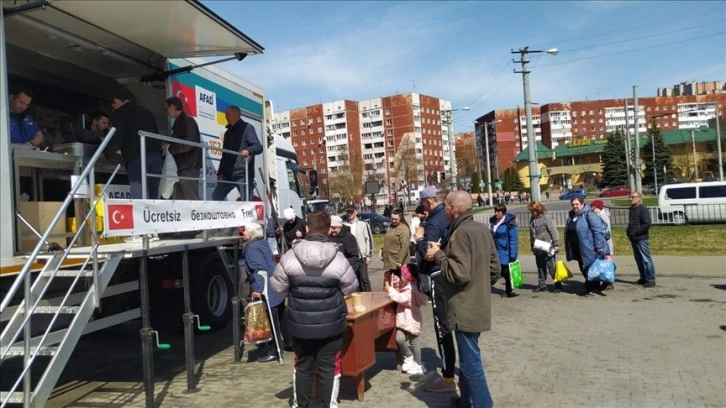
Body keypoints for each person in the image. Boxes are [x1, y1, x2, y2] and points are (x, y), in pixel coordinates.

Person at [270, 212, 358, 408]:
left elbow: (278, 287)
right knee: (329, 368)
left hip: (300, 324)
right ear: (329, 230)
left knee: (303, 366)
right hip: (331, 324)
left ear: (307, 229)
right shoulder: (339, 258)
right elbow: (350, 287)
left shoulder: (289, 257)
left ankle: (301, 405)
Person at [425, 191, 501, 408]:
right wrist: (480, 288)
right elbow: (494, 268)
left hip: (463, 307)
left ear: (454, 209)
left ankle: (483, 404)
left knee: (471, 364)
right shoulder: (480, 229)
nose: (445, 209)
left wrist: (439, 255)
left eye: (447, 206)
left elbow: (458, 274)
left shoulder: (459, 234)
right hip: (477, 304)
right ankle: (466, 402)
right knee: (468, 360)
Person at [414, 186, 457, 393]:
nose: (423, 208)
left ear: (429, 202)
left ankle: (447, 378)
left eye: (423, 203)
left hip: (438, 275)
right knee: (454, 324)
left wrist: (420, 238)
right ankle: (455, 371)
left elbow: (427, 253)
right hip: (454, 273)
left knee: (442, 326)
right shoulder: (451, 217)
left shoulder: (433, 221)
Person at [242, 222, 289, 362]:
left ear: (250, 234)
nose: (242, 233)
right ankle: (291, 343)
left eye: (244, 231)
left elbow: (259, 270)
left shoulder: (252, 249)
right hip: (275, 286)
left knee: (273, 320)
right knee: (281, 316)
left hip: (268, 289)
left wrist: (257, 289)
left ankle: (275, 351)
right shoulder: (262, 243)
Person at [109, 92, 162, 200]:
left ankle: (141, 216)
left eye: (113, 104)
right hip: (155, 155)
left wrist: (111, 152)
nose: (113, 108)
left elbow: (116, 134)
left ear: (117, 100)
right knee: (153, 193)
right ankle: (153, 215)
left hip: (136, 155)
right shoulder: (148, 112)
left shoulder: (121, 113)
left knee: (139, 193)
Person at [384, 263, 428, 375]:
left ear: (408, 277)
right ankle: (408, 356)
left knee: (415, 342)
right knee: (399, 338)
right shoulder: (409, 284)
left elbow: (401, 297)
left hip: (412, 319)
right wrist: (397, 282)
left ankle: (418, 364)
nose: (401, 274)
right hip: (404, 319)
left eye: (402, 274)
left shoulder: (411, 290)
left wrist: (390, 289)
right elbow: (402, 288)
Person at [212, 105, 262, 201]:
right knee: (216, 196)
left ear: (236, 114)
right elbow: (224, 155)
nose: (225, 116)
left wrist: (248, 150)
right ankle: (228, 214)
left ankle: (246, 215)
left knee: (246, 201)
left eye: (227, 114)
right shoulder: (227, 133)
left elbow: (258, 147)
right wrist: (220, 172)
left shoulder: (247, 128)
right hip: (228, 173)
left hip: (242, 173)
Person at [564, 197, 609, 296]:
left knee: (592, 268)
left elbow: (597, 231)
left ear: (582, 204)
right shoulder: (572, 215)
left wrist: (599, 246)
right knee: (583, 268)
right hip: (577, 247)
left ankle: (595, 289)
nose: (575, 206)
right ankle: (589, 288)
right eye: (573, 204)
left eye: (577, 204)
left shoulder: (589, 214)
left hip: (590, 247)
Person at [164, 96, 202, 201]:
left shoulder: (187, 120)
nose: (165, 112)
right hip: (182, 165)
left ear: (172, 107)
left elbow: (191, 143)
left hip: (189, 164)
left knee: (190, 196)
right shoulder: (180, 122)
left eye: (166, 109)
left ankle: (198, 216)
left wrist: (172, 149)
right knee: (179, 196)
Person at [527, 201, 561, 293]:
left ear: (538, 209)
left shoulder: (547, 217)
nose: (533, 213)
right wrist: (532, 245)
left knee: (551, 266)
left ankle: (558, 284)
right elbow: (532, 234)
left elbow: (553, 231)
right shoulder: (532, 219)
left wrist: (556, 244)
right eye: (531, 211)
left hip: (548, 245)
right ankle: (542, 285)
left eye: (534, 211)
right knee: (540, 266)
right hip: (537, 246)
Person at [490, 204, 519, 298]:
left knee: (506, 271)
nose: (496, 213)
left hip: (506, 250)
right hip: (496, 249)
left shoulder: (510, 223)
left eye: (498, 212)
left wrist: (513, 254)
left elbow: (513, 239)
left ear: (503, 212)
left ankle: (508, 291)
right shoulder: (494, 221)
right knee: (499, 270)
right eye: (495, 211)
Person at [627, 192, 656, 287]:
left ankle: (651, 279)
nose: (631, 199)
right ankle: (643, 277)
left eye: (633, 197)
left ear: (639, 198)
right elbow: (632, 223)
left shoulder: (642, 209)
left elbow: (647, 224)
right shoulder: (632, 210)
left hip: (641, 238)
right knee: (638, 259)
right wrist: (629, 232)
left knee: (646, 259)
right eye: (630, 197)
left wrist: (636, 232)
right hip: (633, 238)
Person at [344, 205, 372, 292]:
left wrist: (368, 255)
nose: (349, 214)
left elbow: (369, 239)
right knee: (354, 279)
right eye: (348, 212)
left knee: (364, 278)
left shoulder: (363, 225)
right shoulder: (344, 225)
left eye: (351, 212)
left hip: (361, 257)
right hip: (350, 257)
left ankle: (368, 295)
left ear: (356, 212)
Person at [382, 208, 410, 285]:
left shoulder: (404, 229)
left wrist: (400, 261)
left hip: (397, 261)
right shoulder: (391, 226)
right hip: (391, 260)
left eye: (396, 219)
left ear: (400, 218)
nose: (393, 221)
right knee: (393, 282)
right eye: (392, 219)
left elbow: (405, 246)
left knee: (399, 283)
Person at [590, 199, 614, 290]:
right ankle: (605, 281)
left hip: (605, 244)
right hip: (604, 243)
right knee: (604, 263)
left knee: (607, 263)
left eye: (594, 207)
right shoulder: (600, 216)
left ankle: (608, 282)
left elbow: (606, 232)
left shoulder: (603, 217)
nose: (592, 209)